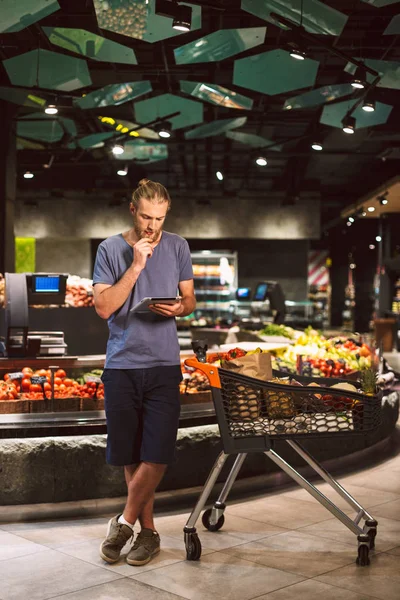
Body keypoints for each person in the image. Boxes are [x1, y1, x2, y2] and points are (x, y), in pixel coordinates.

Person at [93, 178, 196, 566]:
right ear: (132, 210)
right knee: (132, 455)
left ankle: (123, 522)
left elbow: (190, 299)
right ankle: (148, 534)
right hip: (121, 364)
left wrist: (181, 309)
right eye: (147, 217)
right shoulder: (110, 249)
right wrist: (137, 264)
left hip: (165, 363)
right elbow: (104, 308)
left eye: (160, 218)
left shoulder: (178, 246)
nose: (153, 226)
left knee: (158, 452)